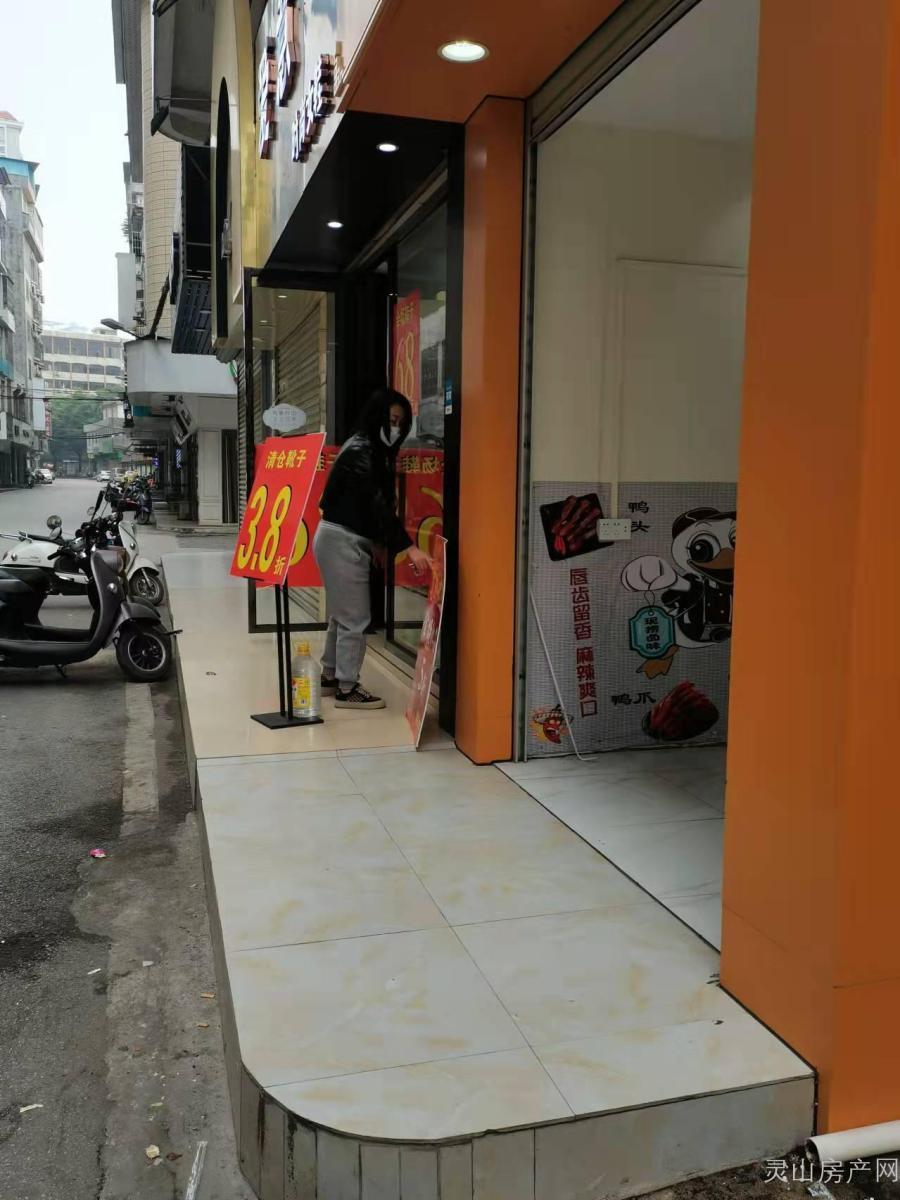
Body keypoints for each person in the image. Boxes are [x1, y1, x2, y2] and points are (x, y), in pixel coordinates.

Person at [314, 387, 431, 709]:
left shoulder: (364, 446)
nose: (396, 428)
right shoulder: (363, 450)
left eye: (401, 423)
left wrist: (379, 543)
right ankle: (347, 688)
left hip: (340, 538)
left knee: (342, 615)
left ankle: (331, 676)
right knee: (355, 618)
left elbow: (365, 505)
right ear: (377, 416)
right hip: (342, 540)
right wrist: (410, 548)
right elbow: (377, 504)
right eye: (391, 420)